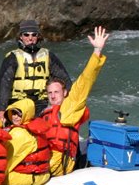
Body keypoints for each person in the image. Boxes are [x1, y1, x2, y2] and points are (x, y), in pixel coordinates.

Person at [42, 26, 110, 176]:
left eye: (57, 92)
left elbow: (86, 79)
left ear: (65, 93)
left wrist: (97, 51)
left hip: (60, 163)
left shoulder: (71, 104)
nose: (53, 96)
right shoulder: (44, 113)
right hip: (45, 158)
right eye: (50, 93)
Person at [0, 19, 72, 116]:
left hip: (41, 102)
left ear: (38, 36)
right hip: (18, 103)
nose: (30, 38)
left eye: (34, 35)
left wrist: (70, 102)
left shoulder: (48, 55)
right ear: (21, 37)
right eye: (26, 35)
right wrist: (1, 110)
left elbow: (65, 80)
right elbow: (4, 85)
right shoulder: (12, 57)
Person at [3, 99, 51, 185]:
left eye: (19, 114)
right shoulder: (35, 127)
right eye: (13, 113)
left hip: (29, 177)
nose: (15, 117)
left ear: (26, 113)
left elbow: (9, 161)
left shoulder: (19, 133)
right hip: (44, 175)